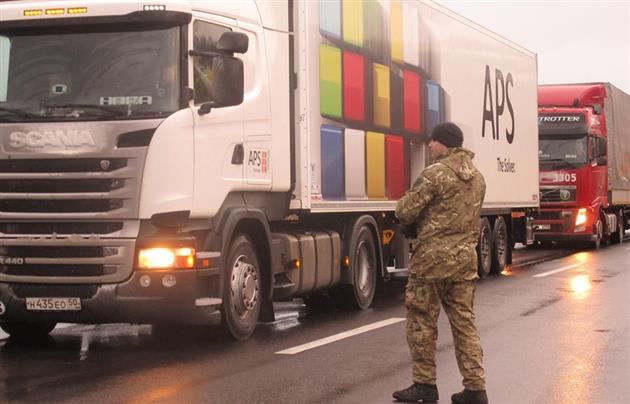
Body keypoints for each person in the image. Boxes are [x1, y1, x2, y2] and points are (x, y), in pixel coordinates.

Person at [393, 122, 488, 404]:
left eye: (433, 141)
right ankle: (475, 389)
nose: (430, 146)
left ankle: (424, 384)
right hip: (464, 263)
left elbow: (405, 210)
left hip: (431, 263)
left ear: (444, 143)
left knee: (422, 322)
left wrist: (414, 222)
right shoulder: (478, 177)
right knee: (465, 325)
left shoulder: (435, 174)